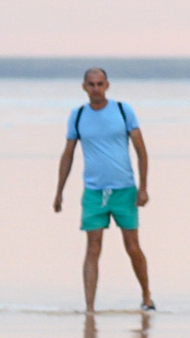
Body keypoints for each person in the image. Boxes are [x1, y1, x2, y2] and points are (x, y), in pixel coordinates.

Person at [51, 67, 154, 312]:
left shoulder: (122, 110)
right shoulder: (77, 116)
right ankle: (89, 307)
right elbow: (68, 154)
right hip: (94, 192)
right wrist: (59, 191)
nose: (96, 88)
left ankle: (146, 295)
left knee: (132, 246)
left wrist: (144, 187)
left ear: (107, 85)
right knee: (93, 247)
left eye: (100, 84)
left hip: (124, 190)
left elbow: (141, 150)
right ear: (84, 87)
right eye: (91, 84)